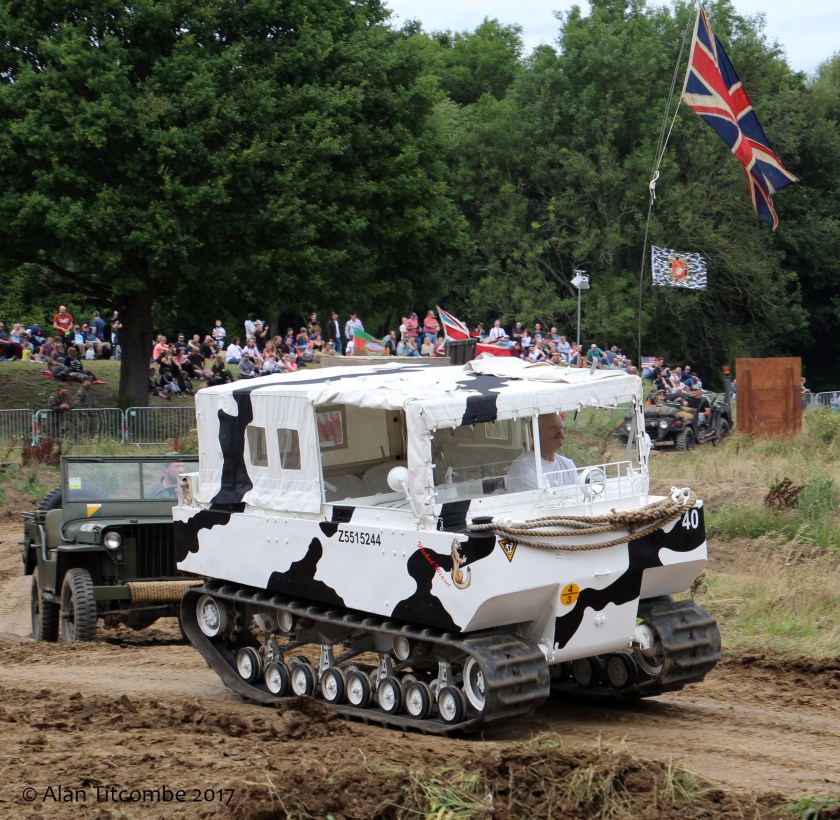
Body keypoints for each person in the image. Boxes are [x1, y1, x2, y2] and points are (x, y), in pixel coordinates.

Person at [506, 413, 577, 492]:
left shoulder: (568, 465)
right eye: (553, 427)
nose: (560, 431)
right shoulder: (523, 468)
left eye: (561, 427)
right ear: (534, 431)